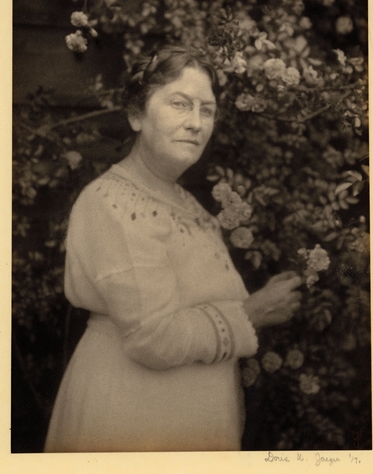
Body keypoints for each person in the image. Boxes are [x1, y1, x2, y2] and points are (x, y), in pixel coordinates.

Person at [44, 45, 302, 452]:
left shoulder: (183, 201)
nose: (196, 123)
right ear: (136, 115)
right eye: (180, 105)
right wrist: (253, 312)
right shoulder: (113, 203)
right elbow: (154, 336)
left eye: (207, 110)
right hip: (134, 418)